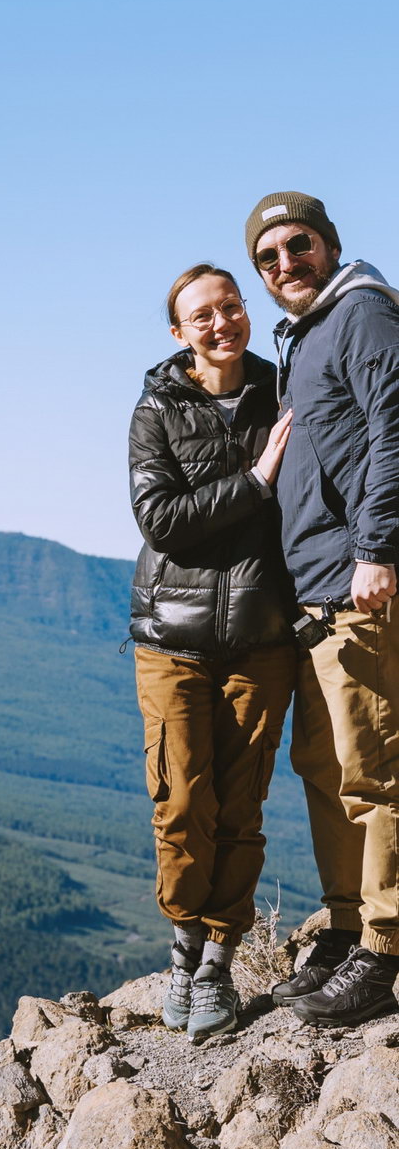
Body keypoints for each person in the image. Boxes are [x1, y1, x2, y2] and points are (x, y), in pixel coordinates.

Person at [128, 263, 296, 1043]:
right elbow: (162, 519)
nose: (222, 321)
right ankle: (183, 945)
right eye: (203, 314)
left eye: (231, 305)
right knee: (183, 800)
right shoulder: (157, 409)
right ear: (178, 333)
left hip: (262, 640)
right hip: (174, 641)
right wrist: (257, 480)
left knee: (240, 804)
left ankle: (218, 964)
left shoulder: (283, 390)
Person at [245, 192, 399, 1026]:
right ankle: (345, 927)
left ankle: (385, 948)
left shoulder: (364, 313)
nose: (283, 266)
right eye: (266, 259)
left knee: (375, 773)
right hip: (313, 595)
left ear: (329, 244)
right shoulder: (305, 336)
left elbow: (395, 428)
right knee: (330, 773)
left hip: (358, 584)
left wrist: (378, 548)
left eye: (297, 247)